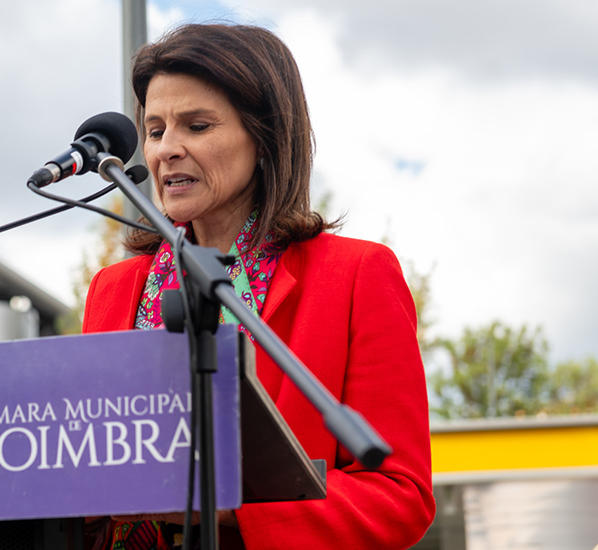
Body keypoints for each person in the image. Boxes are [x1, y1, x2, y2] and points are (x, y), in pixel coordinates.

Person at [81, 24, 434, 549]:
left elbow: (399, 497)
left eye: (196, 126)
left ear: (264, 137)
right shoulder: (114, 288)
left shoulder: (356, 274)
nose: (166, 150)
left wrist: (227, 505)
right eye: (154, 131)